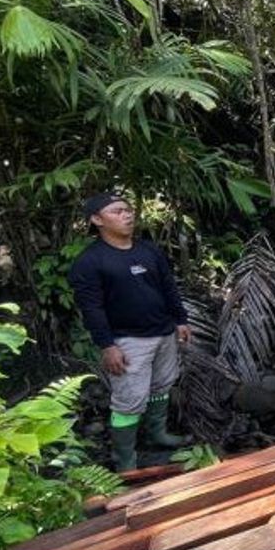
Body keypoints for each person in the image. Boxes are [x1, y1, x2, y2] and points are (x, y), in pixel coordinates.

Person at [68, 193, 191, 471]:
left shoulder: (148, 250)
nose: (127, 215)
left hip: (164, 332)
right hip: (127, 340)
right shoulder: (90, 262)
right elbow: (92, 309)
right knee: (128, 400)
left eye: (128, 209)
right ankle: (126, 461)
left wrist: (180, 319)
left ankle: (158, 434)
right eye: (117, 211)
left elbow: (168, 286)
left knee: (162, 385)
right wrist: (107, 345)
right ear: (97, 220)